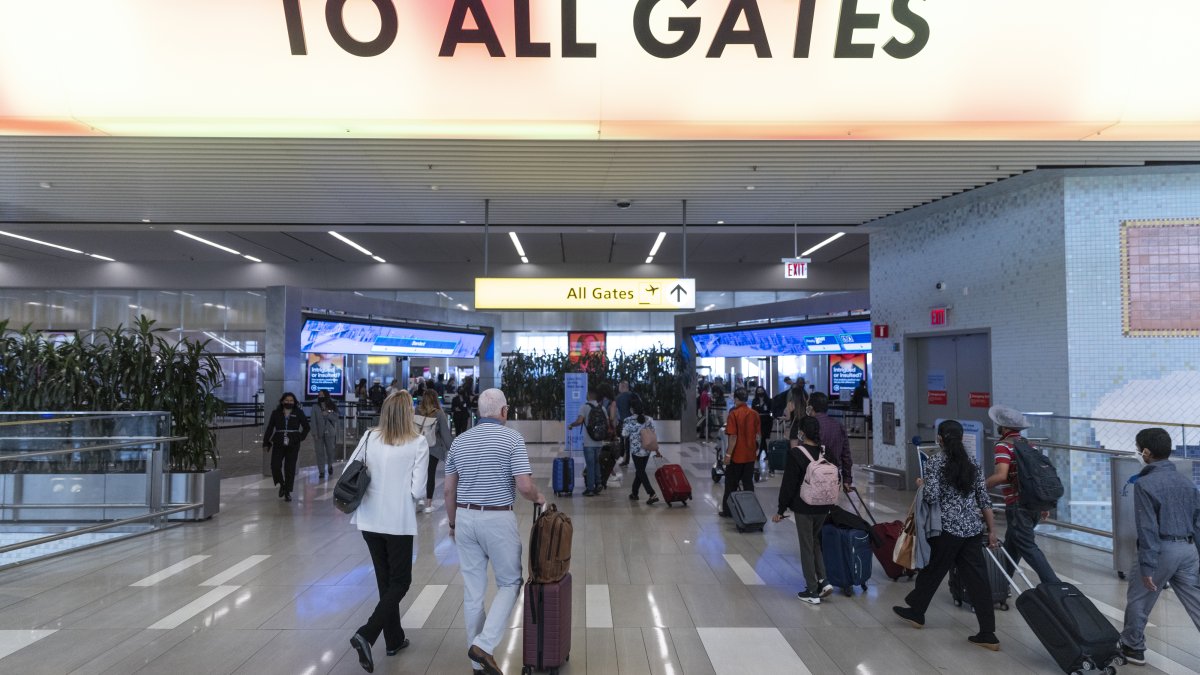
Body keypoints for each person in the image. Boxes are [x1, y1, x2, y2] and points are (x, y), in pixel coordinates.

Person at [444, 388, 545, 675]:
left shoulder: (460, 441)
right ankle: (484, 646)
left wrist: (452, 523)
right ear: (504, 411)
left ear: (478, 412)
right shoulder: (511, 438)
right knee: (510, 583)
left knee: (474, 591)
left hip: (464, 516)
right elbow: (524, 486)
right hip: (497, 518)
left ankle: (477, 664)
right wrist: (539, 498)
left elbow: (448, 489)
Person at [893, 420, 1001, 652]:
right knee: (977, 580)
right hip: (972, 529)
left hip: (947, 530)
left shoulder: (936, 462)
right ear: (961, 438)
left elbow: (931, 496)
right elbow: (983, 499)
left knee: (933, 570)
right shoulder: (973, 462)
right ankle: (988, 633)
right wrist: (992, 530)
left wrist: (922, 483)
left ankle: (916, 611)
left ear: (940, 439)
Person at [347, 391, 429, 673]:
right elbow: (418, 490)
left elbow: (350, 469)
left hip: (368, 520)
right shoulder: (418, 442)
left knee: (386, 581)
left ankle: (393, 639)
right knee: (401, 582)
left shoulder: (370, 437)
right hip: (397, 522)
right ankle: (367, 634)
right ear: (409, 413)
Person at [1118, 427, 1200, 666]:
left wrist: (1147, 566)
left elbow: (1148, 529)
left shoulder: (1145, 483)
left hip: (1162, 550)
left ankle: (1133, 648)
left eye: (1138, 449)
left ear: (1146, 452)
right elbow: (1198, 523)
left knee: (1139, 600)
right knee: (1196, 602)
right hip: (1188, 550)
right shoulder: (1186, 482)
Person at [984, 405, 1060, 584]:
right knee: (1012, 545)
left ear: (1003, 427)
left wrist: (980, 487)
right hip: (1034, 503)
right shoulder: (1029, 445)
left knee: (1027, 546)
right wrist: (1043, 504)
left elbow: (1002, 475)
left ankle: (1055, 586)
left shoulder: (1003, 446)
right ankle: (1000, 585)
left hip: (1018, 505)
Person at [773, 415, 834, 603]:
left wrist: (781, 509)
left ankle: (812, 591)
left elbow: (789, 484)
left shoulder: (796, 453)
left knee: (806, 545)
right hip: (824, 505)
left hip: (804, 506)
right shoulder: (825, 452)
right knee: (814, 540)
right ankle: (823, 581)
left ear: (801, 432)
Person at [719, 387, 761, 518]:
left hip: (737, 456)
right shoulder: (754, 414)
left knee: (731, 484)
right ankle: (751, 510)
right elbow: (758, 436)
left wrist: (728, 455)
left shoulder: (734, 414)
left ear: (736, 399)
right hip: (750, 455)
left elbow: (733, 437)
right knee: (748, 484)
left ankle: (728, 511)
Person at [262, 391, 310, 502]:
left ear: (294, 402)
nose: (289, 402)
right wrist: (266, 442)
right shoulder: (276, 413)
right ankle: (282, 485)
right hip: (279, 441)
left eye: (291, 401)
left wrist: (300, 437)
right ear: (282, 401)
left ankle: (287, 491)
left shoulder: (299, 412)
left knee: (290, 468)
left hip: (293, 443)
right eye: (287, 400)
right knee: (275, 465)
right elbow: (270, 428)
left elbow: (306, 427)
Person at [413, 389, 452, 514]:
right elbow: (445, 434)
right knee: (430, 475)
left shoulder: (417, 411)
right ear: (436, 399)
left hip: (418, 448)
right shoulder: (439, 414)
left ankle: (419, 499)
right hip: (433, 449)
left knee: (418, 473)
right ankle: (429, 504)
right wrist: (452, 449)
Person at [808, 392, 853, 492]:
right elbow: (846, 455)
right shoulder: (838, 425)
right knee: (830, 504)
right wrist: (847, 479)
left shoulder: (809, 426)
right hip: (833, 476)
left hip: (812, 477)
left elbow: (801, 453)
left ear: (811, 407)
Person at [621, 396, 661, 505]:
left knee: (640, 471)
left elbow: (624, 434)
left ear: (631, 409)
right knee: (640, 471)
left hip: (636, 451)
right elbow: (653, 432)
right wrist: (656, 450)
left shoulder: (628, 420)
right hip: (647, 449)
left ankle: (652, 493)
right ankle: (634, 493)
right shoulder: (649, 419)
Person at [568, 388, 606, 496]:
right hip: (599, 442)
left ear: (588, 396)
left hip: (589, 442)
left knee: (590, 465)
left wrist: (571, 425)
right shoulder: (602, 408)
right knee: (597, 463)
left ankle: (590, 489)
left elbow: (580, 421)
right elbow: (606, 423)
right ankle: (598, 483)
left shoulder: (584, 407)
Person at [311, 390, 339, 479]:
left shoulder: (332, 406)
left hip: (330, 432)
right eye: (319, 395)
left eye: (322, 395)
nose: (320, 396)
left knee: (330, 451)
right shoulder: (315, 407)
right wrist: (314, 433)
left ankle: (330, 465)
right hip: (319, 433)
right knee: (319, 452)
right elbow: (313, 421)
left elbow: (336, 418)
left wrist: (328, 414)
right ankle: (321, 471)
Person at [615, 380, 633, 467]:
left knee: (623, 441)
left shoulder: (618, 398)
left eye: (619, 387)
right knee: (629, 442)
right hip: (632, 422)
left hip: (622, 422)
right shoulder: (632, 396)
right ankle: (628, 459)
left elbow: (616, 412)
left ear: (622, 387)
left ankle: (624, 459)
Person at [750, 385, 772, 452]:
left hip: (767, 421)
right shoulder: (754, 401)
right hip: (758, 420)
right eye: (758, 391)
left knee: (764, 437)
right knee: (762, 437)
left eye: (761, 391)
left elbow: (771, 409)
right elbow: (753, 410)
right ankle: (764, 452)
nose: (760, 392)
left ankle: (762, 452)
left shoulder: (768, 400)